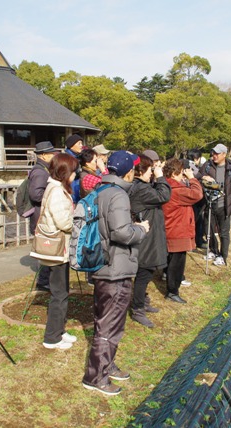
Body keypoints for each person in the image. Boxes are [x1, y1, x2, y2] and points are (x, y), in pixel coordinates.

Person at [82, 150, 150, 396]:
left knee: (108, 321)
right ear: (128, 172)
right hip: (115, 268)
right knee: (109, 325)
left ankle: (107, 364)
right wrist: (141, 229)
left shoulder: (101, 189)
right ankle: (95, 377)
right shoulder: (118, 195)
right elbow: (121, 232)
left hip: (102, 264)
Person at [37, 153, 80, 349]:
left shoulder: (57, 188)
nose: (75, 175)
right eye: (73, 171)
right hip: (56, 250)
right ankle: (51, 338)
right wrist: (78, 223)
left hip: (60, 249)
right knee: (59, 295)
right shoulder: (56, 191)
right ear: (65, 172)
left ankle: (59, 331)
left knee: (62, 293)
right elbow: (63, 222)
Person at [128, 154, 171, 327]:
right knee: (143, 273)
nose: (152, 173)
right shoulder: (141, 189)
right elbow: (164, 195)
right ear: (141, 171)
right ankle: (138, 309)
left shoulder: (141, 186)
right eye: (150, 170)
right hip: (145, 239)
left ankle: (142, 302)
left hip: (147, 236)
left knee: (146, 272)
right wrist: (160, 177)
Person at [162, 158, 203, 304]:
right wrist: (192, 179)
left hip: (170, 229)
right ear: (174, 173)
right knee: (177, 263)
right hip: (178, 230)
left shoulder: (165, 185)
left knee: (171, 260)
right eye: (181, 173)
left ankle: (170, 284)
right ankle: (172, 291)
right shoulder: (177, 190)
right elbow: (197, 194)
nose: (182, 175)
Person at [29, 141, 62, 291]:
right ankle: (43, 282)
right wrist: (53, 196)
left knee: (47, 250)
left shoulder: (43, 170)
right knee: (47, 250)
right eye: (51, 153)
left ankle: (45, 280)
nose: (54, 155)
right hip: (40, 217)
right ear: (43, 155)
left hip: (42, 215)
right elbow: (36, 195)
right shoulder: (40, 172)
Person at [65, 134, 85, 203]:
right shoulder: (68, 159)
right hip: (72, 191)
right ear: (71, 145)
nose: (81, 146)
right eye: (79, 143)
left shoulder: (78, 157)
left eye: (81, 143)